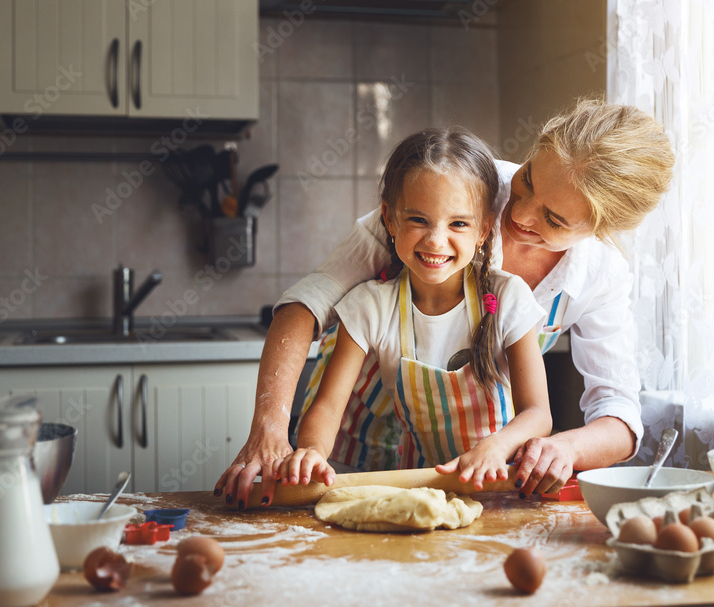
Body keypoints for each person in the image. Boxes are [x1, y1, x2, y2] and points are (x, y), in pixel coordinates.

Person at [215, 97, 675, 509]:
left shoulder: (600, 276)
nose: (518, 214)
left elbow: (617, 411)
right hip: (357, 445)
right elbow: (306, 305)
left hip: (468, 465)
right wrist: (271, 429)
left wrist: (567, 449)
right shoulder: (454, 185)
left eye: (553, 219)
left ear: (598, 230)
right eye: (528, 181)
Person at [274, 127, 552, 491]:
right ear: (389, 219)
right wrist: (311, 450)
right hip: (420, 486)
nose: (436, 240)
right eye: (419, 220)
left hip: (497, 483)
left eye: (458, 224)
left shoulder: (508, 298)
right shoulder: (370, 306)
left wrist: (495, 448)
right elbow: (328, 407)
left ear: (483, 230)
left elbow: (538, 413)